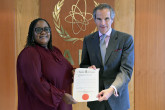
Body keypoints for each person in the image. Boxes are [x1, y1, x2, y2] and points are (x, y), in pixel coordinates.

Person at [80, 3, 134, 110]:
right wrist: (88, 69)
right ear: (94, 20)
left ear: (112, 19)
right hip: (96, 99)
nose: (103, 23)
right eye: (99, 19)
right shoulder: (88, 40)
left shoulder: (125, 39)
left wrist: (111, 89)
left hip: (117, 100)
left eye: (107, 19)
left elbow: (126, 71)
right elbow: (84, 64)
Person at [17, 18, 77, 110]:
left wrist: (81, 73)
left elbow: (66, 72)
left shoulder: (55, 50)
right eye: (38, 29)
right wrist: (61, 96)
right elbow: (36, 83)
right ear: (32, 33)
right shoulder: (29, 53)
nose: (43, 32)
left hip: (60, 105)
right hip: (40, 106)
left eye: (46, 29)